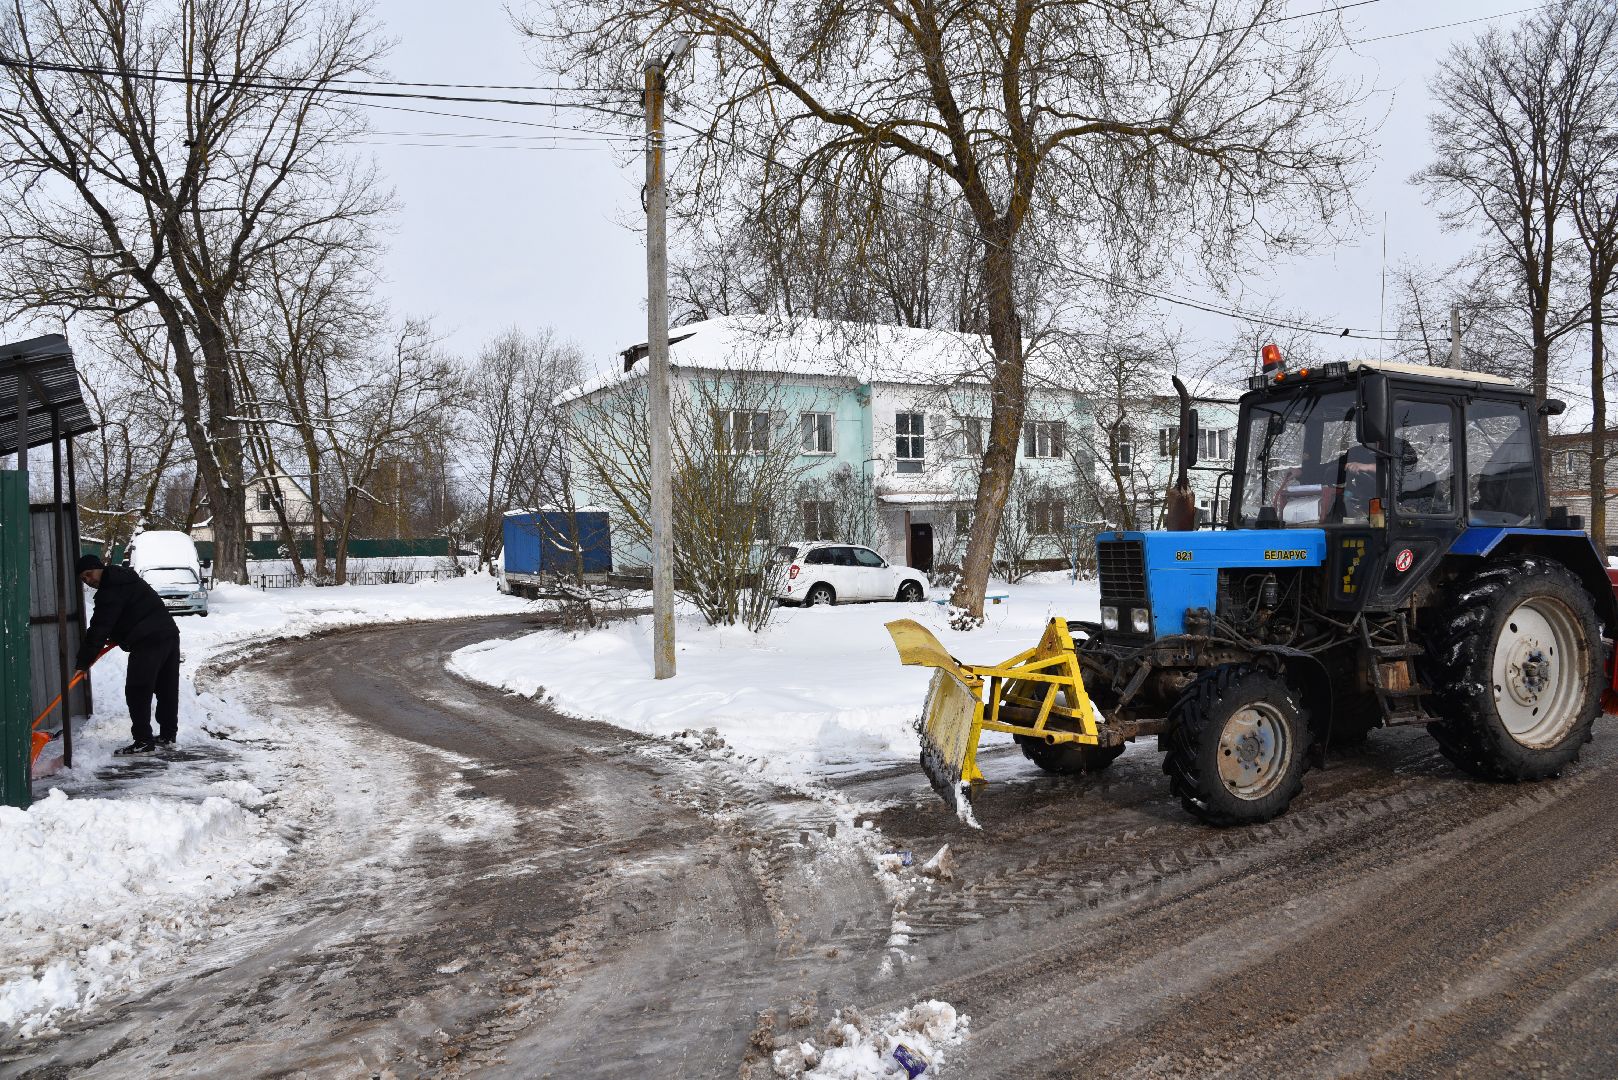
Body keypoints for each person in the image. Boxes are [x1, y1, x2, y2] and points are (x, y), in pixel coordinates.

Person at [74, 553, 182, 756]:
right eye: (83, 579)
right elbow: (129, 612)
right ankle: (168, 735)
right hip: (168, 634)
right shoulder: (125, 578)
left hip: (148, 641)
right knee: (166, 688)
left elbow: (99, 627)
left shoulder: (110, 589)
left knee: (137, 690)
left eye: (89, 574)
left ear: (99, 568)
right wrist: (118, 635)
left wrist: (82, 663)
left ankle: (143, 741)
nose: (88, 580)